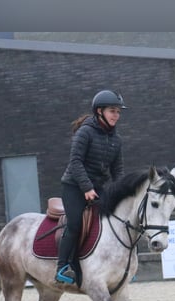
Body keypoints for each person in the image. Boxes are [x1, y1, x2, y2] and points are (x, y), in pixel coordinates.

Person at [55, 89, 127, 284]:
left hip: (99, 187)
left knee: (116, 220)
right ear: (99, 111)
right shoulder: (84, 132)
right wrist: (86, 188)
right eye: (113, 111)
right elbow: (75, 162)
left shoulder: (116, 140)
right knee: (76, 223)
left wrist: (121, 193)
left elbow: (118, 171)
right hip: (74, 186)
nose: (116, 116)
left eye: (118, 112)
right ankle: (62, 267)